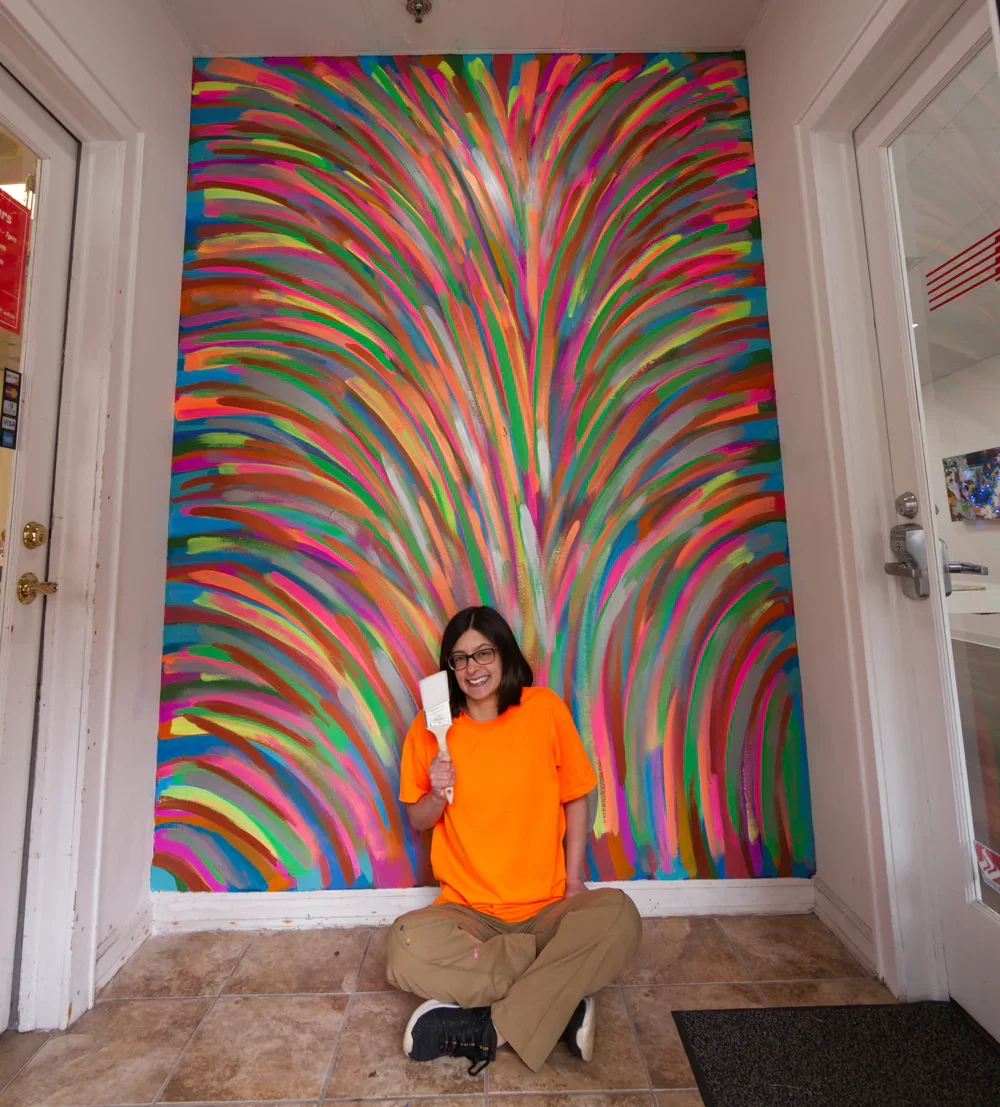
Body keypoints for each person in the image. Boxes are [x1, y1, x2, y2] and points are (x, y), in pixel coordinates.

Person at [386, 605, 642, 1075]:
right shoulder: (430, 728)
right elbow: (418, 820)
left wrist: (575, 883)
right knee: (403, 945)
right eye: (459, 659)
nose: (472, 668)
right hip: (467, 914)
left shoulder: (544, 709)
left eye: (483, 653)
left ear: (504, 653)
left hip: (547, 908)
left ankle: (490, 1030)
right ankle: (559, 998)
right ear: (450, 669)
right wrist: (437, 793)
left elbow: (576, 795)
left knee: (620, 917)